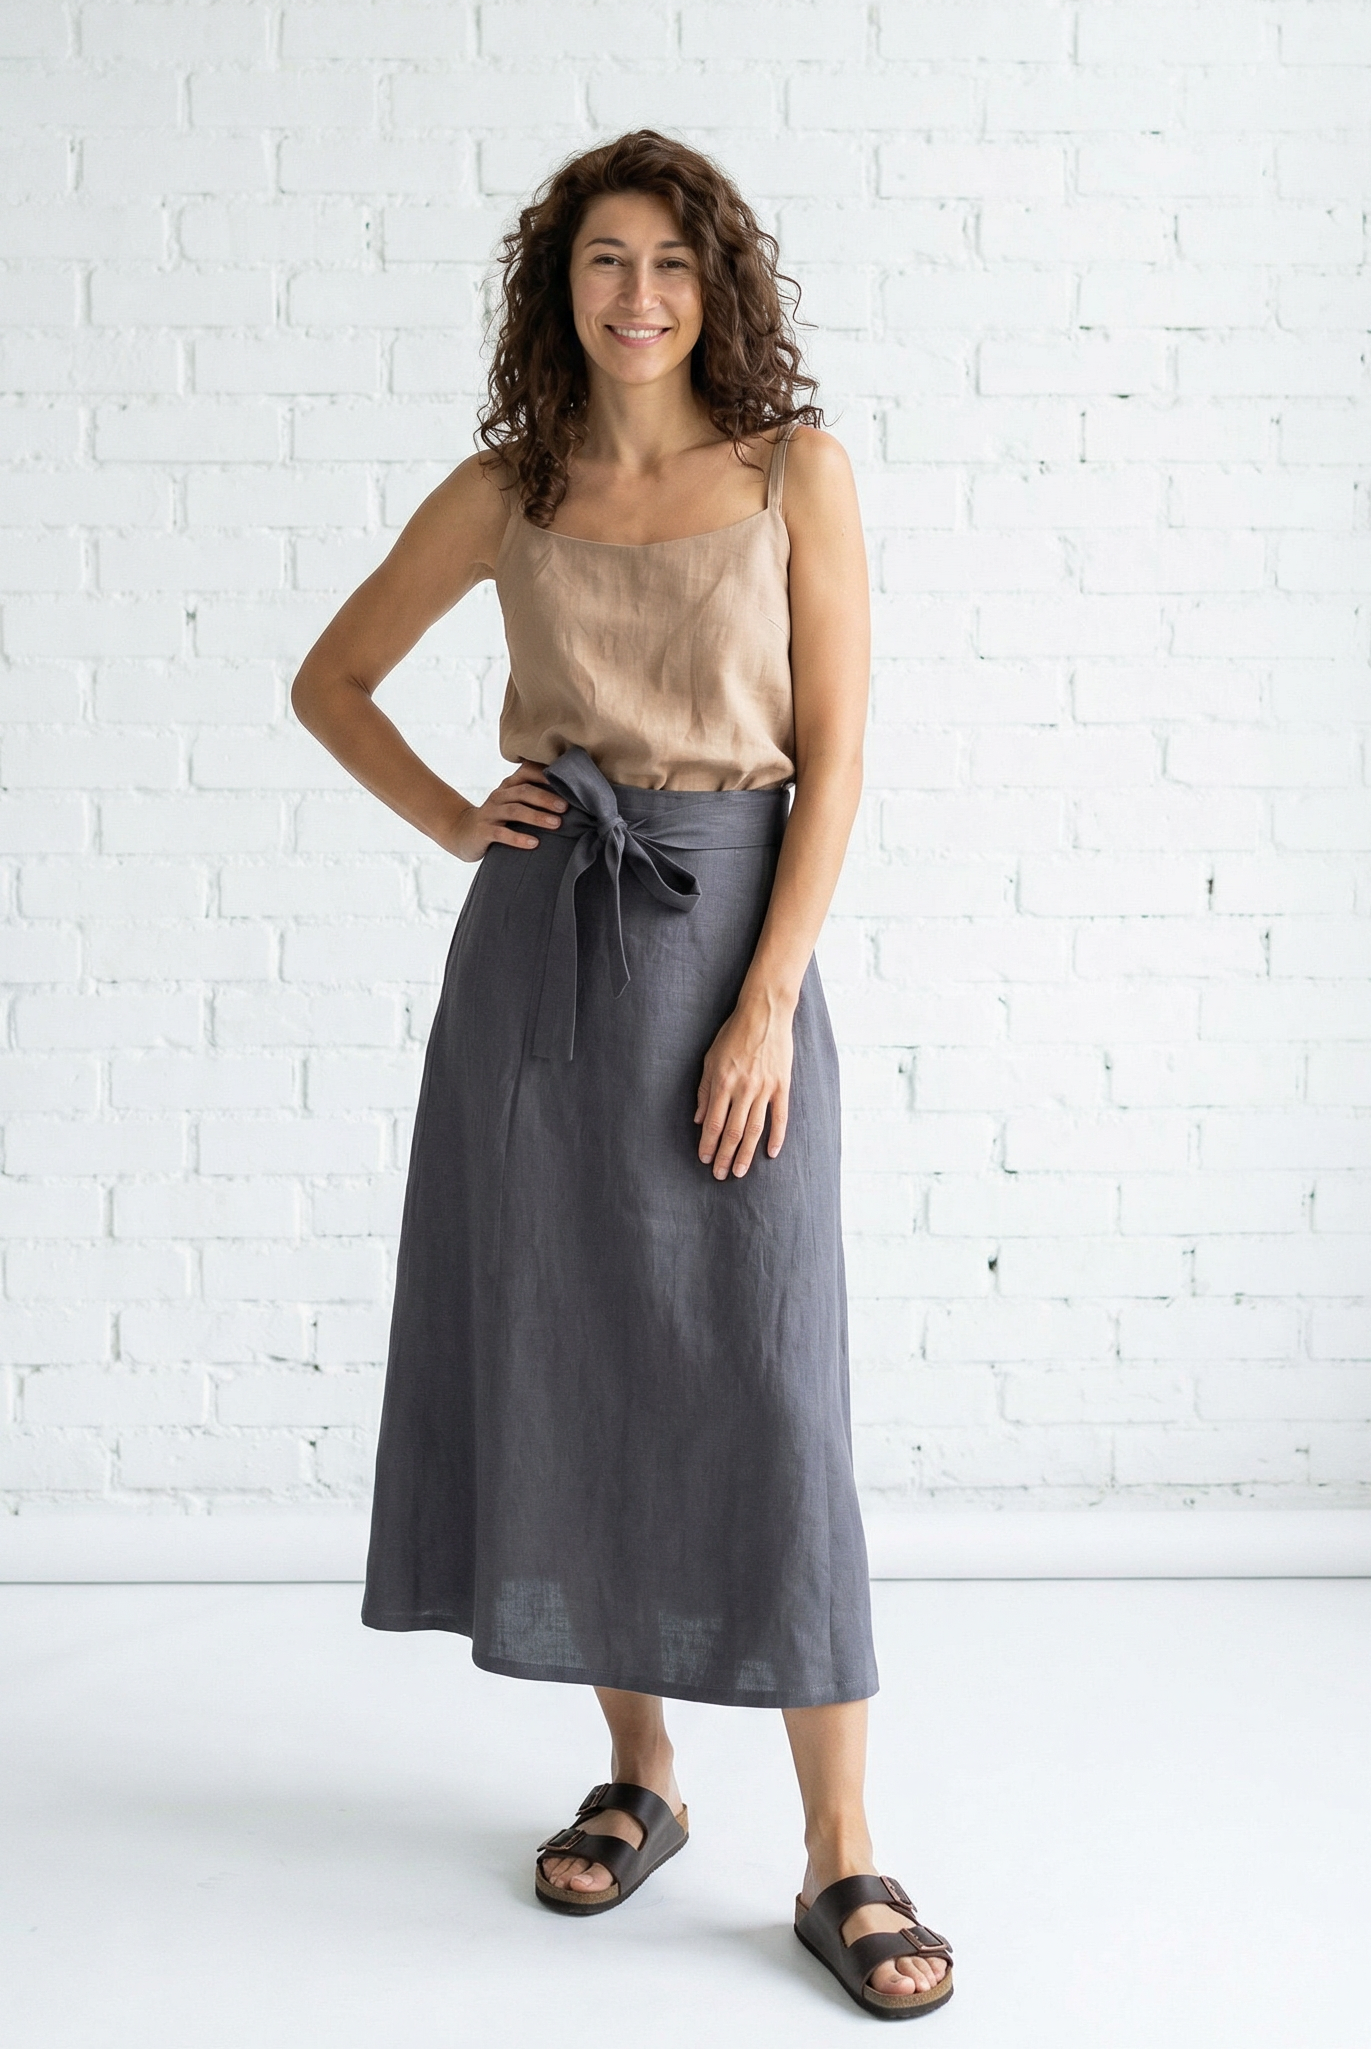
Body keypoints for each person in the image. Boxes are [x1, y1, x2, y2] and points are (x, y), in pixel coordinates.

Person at [292, 129, 954, 2020]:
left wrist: (764, 1005)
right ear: (557, 284)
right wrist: (455, 818)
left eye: (671, 259)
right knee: (574, 1354)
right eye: (603, 258)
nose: (637, 292)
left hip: (733, 942)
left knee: (768, 1382)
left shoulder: (793, 472)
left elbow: (834, 765)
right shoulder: (514, 483)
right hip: (539, 962)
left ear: (717, 282)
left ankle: (843, 1855)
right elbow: (332, 677)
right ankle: (643, 1775)